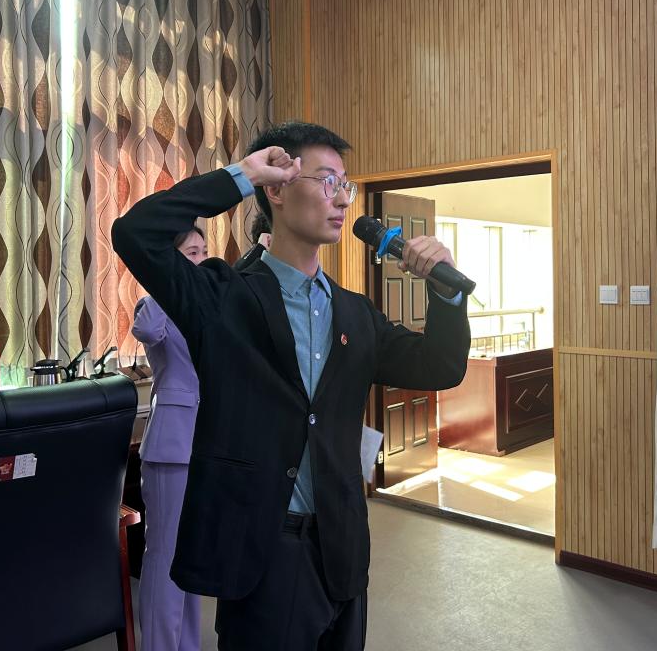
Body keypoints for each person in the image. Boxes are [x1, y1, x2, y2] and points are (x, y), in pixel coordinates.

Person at [112, 122, 469, 651]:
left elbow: (440, 366)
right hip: (262, 553)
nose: (341, 199)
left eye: (344, 185)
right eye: (326, 181)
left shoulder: (356, 314)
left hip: (342, 548)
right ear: (277, 190)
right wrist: (243, 174)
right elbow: (134, 233)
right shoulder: (222, 298)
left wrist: (446, 292)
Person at [131, 227, 208, 651]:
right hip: (170, 443)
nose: (201, 259)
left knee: (191, 554)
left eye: (204, 251)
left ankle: (188, 644)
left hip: (202, 441)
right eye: (191, 252)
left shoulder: (202, 303)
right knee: (164, 555)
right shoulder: (154, 302)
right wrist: (166, 278)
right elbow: (147, 331)